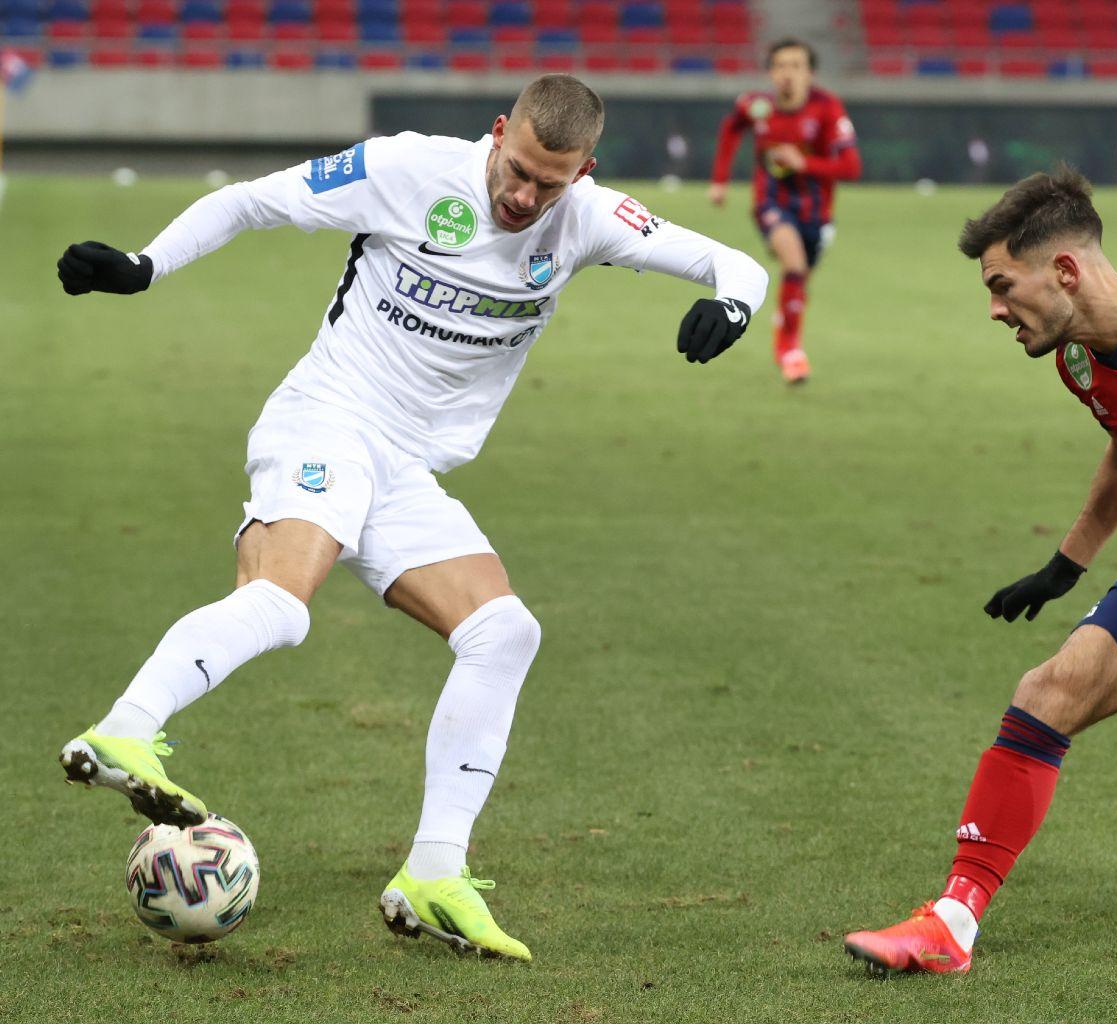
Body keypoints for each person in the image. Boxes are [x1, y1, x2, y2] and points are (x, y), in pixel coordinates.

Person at [54, 74, 768, 962]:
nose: (524, 196)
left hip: (405, 470)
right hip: (327, 420)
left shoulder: (586, 219)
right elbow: (249, 202)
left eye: (549, 183)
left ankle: (432, 875)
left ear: (583, 172)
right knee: (282, 604)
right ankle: (126, 727)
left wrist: (734, 305)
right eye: (516, 170)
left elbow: (737, 264)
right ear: (497, 132)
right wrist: (145, 265)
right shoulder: (407, 170)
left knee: (503, 633)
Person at [844, 167, 1117, 976]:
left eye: (1003, 286)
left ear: (1066, 271)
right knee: (1047, 691)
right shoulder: (1079, 362)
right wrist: (1065, 565)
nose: (994, 309)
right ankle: (951, 923)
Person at [709, 38, 861, 384]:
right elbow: (731, 129)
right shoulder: (757, 106)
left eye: (796, 66)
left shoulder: (827, 109)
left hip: (816, 211)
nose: (787, 74)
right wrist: (719, 181)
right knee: (793, 263)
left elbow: (852, 167)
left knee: (799, 277)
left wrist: (804, 163)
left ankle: (785, 321)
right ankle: (789, 349)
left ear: (810, 73)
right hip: (771, 203)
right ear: (770, 72)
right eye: (780, 66)